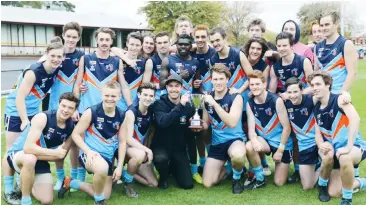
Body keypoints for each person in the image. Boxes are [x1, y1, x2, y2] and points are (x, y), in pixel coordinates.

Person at [3, 38, 64, 204]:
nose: (56, 59)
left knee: (26, 151)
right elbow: (20, 96)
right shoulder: (34, 71)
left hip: (33, 113)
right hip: (16, 112)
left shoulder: (56, 69)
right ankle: (8, 189)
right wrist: (23, 119)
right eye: (53, 56)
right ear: (46, 55)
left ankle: (21, 183)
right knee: (11, 151)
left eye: (59, 56)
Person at [62, 81, 133, 205]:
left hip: (108, 157)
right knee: (101, 169)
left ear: (119, 97)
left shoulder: (122, 115)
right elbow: (75, 134)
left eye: (113, 96)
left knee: (106, 194)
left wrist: (120, 166)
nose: (110, 99)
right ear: (101, 95)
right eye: (107, 95)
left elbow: (122, 142)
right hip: (90, 154)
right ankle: (99, 202)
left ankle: (70, 182)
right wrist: (88, 151)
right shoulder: (92, 112)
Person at [6, 92, 79, 205]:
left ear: (75, 110)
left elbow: (60, 157)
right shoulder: (43, 117)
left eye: (70, 108)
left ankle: (25, 182)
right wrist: (53, 153)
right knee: (30, 159)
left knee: (47, 200)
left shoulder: (70, 127)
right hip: (19, 154)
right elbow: (28, 148)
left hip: (39, 159)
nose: (66, 110)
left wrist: (54, 154)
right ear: (58, 104)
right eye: (63, 106)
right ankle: (26, 200)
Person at [308, 71, 366, 205]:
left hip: (354, 147)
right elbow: (318, 133)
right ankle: (322, 186)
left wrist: (349, 146)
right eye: (312, 85)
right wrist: (321, 144)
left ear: (328, 85)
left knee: (345, 157)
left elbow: (355, 119)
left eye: (318, 84)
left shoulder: (339, 100)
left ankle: (347, 199)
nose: (314, 87)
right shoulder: (316, 107)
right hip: (335, 150)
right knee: (334, 192)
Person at [46, 22, 85, 192]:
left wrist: (76, 106)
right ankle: (60, 178)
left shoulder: (82, 56)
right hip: (55, 106)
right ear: (63, 36)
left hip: (74, 107)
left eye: (74, 37)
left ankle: (76, 176)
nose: (70, 39)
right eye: (68, 36)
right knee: (57, 144)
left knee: (76, 142)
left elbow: (81, 81)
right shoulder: (55, 55)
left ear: (78, 38)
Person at [199, 64, 246, 194]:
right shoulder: (206, 98)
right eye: (215, 79)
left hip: (234, 140)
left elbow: (231, 122)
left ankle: (237, 178)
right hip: (218, 143)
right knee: (208, 184)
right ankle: (229, 169)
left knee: (237, 156)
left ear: (227, 79)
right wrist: (196, 124)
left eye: (221, 79)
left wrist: (214, 104)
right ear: (211, 80)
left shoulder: (235, 97)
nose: (218, 82)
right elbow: (206, 124)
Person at [245, 70, 292, 189]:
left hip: (280, 143)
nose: (254, 87)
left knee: (279, 182)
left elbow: (287, 127)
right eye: (252, 85)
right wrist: (254, 140)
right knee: (250, 145)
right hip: (265, 141)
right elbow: (251, 129)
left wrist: (280, 150)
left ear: (264, 84)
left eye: (257, 84)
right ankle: (259, 178)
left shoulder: (276, 100)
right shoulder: (250, 103)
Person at [151, 75, 196, 190]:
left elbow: (190, 135)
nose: (174, 89)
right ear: (166, 88)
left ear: (181, 88)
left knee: (187, 185)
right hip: (161, 146)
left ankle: (173, 169)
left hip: (178, 149)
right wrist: (180, 105)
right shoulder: (159, 104)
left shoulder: (189, 106)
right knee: (161, 159)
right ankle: (164, 177)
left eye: (177, 86)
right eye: (170, 86)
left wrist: (195, 128)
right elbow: (163, 122)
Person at [121, 83, 157, 198]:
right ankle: (128, 183)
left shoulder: (152, 111)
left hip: (139, 150)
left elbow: (150, 133)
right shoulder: (131, 112)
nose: (148, 98)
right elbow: (128, 139)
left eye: (151, 96)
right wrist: (148, 150)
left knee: (153, 184)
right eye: (145, 94)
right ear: (139, 95)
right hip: (124, 148)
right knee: (140, 154)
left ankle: (125, 174)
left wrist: (146, 148)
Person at [191, 25, 216, 174]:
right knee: (199, 131)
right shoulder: (191, 53)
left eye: (203, 37)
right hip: (196, 97)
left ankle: (215, 159)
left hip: (214, 97)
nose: (200, 40)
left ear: (207, 37)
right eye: (197, 37)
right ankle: (203, 162)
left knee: (212, 131)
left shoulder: (214, 53)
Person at [314, 11, 358, 93]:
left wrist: (342, 92)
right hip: (322, 96)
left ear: (336, 24)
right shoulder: (317, 47)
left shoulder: (346, 44)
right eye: (321, 25)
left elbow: (353, 73)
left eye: (327, 24)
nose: (324, 28)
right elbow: (316, 73)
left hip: (338, 95)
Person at [117, 32, 146, 110]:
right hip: (117, 104)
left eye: (137, 45)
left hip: (134, 104)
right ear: (127, 44)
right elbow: (112, 49)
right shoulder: (118, 60)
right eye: (132, 44)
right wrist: (126, 60)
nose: (134, 48)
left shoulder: (143, 62)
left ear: (141, 46)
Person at [143, 31, 170, 99]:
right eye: (159, 43)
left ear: (170, 43)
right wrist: (163, 85)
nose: (162, 45)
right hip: (157, 98)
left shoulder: (175, 59)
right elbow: (145, 85)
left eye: (165, 42)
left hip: (173, 97)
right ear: (156, 45)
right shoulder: (151, 61)